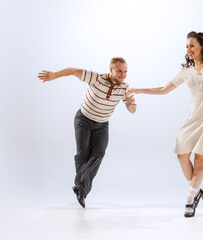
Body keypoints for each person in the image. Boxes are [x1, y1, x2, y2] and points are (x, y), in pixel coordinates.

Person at [130, 32, 203, 217]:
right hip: (193, 119)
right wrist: (139, 90)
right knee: (182, 155)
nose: (189, 50)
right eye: (186, 46)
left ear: (201, 46)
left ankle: (190, 199)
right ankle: (196, 189)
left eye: (192, 45)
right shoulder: (186, 72)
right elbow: (163, 89)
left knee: (200, 159)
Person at [38, 57, 136, 208]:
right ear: (111, 70)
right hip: (84, 119)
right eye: (119, 71)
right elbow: (74, 71)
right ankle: (81, 189)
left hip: (102, 125)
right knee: (83, 154)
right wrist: (54, 75)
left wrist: (131, 104)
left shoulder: (126, 88)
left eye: (125, 71)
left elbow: (131, 109)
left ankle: (80, 189)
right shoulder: (97, 78)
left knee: (98, 154)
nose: (123, 75)